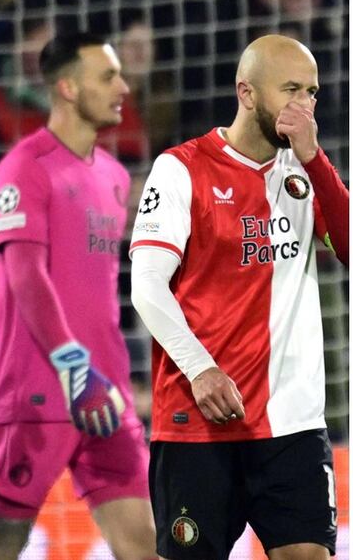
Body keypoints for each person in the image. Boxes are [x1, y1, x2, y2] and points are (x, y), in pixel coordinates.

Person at [129, 34, 349, 560]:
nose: (304, 105)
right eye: (291, 89)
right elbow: (147, 285)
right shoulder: (181, 169)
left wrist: (315, 158)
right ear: (246, 93)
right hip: (198, 424)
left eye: (312, 93)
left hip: (292, 422)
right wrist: (200, 368)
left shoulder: (305, 174)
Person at [0, 32, 156, 560]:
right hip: (39, 393)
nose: (123, 86)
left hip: (107, 396)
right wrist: (72, 365)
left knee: (149, 546)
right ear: (68, 88)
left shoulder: (117, 177)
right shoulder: (24, 167)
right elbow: (25, 275)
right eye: (108, 76)